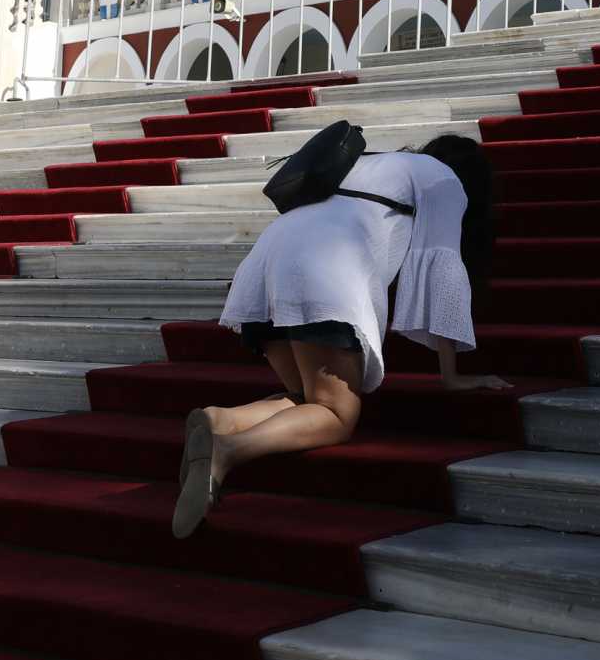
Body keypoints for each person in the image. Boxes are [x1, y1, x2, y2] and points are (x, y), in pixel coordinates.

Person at [173, 132, 506, 537]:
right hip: (323, 271)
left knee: (306, 400)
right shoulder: (443, 180)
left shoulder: (373, 163)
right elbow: (442, 268)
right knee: (335, 415)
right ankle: (226, 452)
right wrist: (452, 376)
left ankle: (221, 419)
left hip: (266, 263)